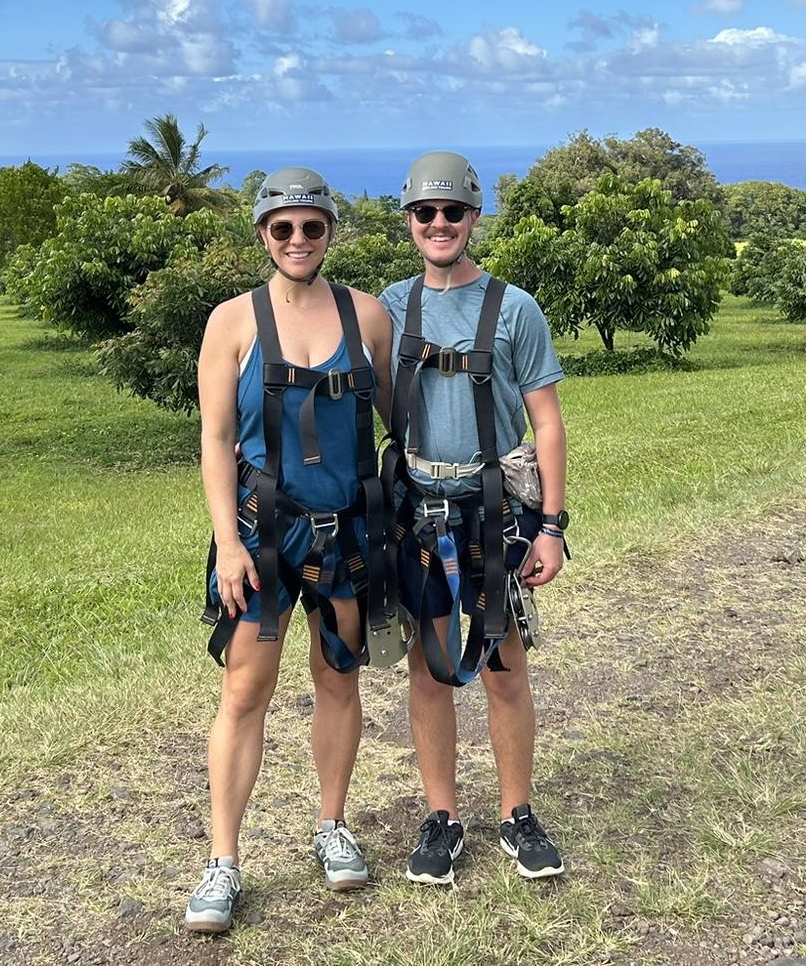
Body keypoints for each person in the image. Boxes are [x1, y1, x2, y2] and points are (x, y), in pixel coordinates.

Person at [184, 167, 396, 934]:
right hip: (261, 533)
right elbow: (212, 441)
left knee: (339, 678)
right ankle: (223, 861)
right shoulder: (231, 322)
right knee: (246, 691)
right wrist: (227, 543)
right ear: (264, 237)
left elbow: (392, 426)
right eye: (283, 229)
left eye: (312, 227)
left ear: (331, 233)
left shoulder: (369, 317)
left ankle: (332, 826)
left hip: (344, 531)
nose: (298, 240)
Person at [380, 151, 571, 886]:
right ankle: (442, 816)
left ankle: (518, 813)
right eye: (425, 213)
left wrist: (550, 525)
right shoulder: (390, 309)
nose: (438, 224)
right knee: (429, 671)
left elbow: (546, 423)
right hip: (420, 508)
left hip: (494, 511)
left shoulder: (515, 308)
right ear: (409, 222)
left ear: (473, 219)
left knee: (503, 667)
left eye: (451, 212)